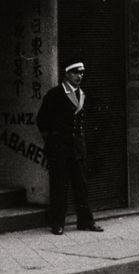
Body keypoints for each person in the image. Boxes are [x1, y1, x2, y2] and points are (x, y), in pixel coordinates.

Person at [36, 59, 103, 235]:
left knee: (82, 186)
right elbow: (42, 121)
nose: (79, 76)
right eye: (75, 73)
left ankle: (85, 221)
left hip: (77, 149)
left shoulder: (82, 94)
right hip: (59, 149)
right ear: (66, 74)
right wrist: (53, 141)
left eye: (81, 73)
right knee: (59, 187)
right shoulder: (55, 94)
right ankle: (58, 223)